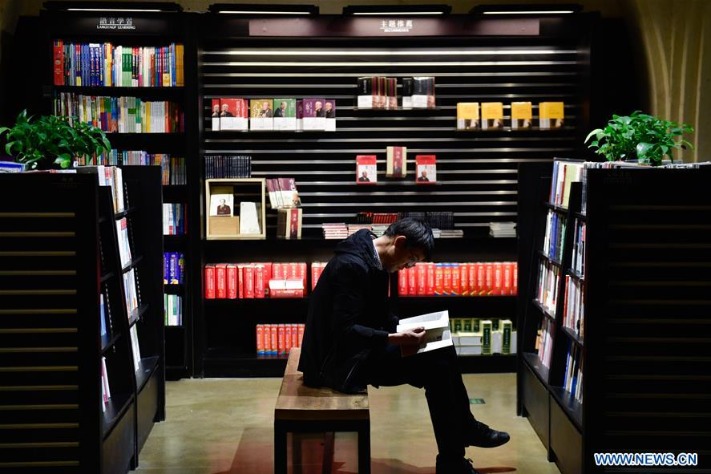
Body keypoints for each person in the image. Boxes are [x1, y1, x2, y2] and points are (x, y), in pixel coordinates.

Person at [298, 218, 510, 474]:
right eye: (410, 260)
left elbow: (376, 316)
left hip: (357, 352)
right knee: (437, 366)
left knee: (441, 342)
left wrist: (407, 327)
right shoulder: (351, 266)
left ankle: (462, 435)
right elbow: (344, 332)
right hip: (336, 365)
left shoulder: (373, 259)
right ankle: (455, 453)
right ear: (399, 243)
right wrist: (393, 338)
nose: (407, 267)